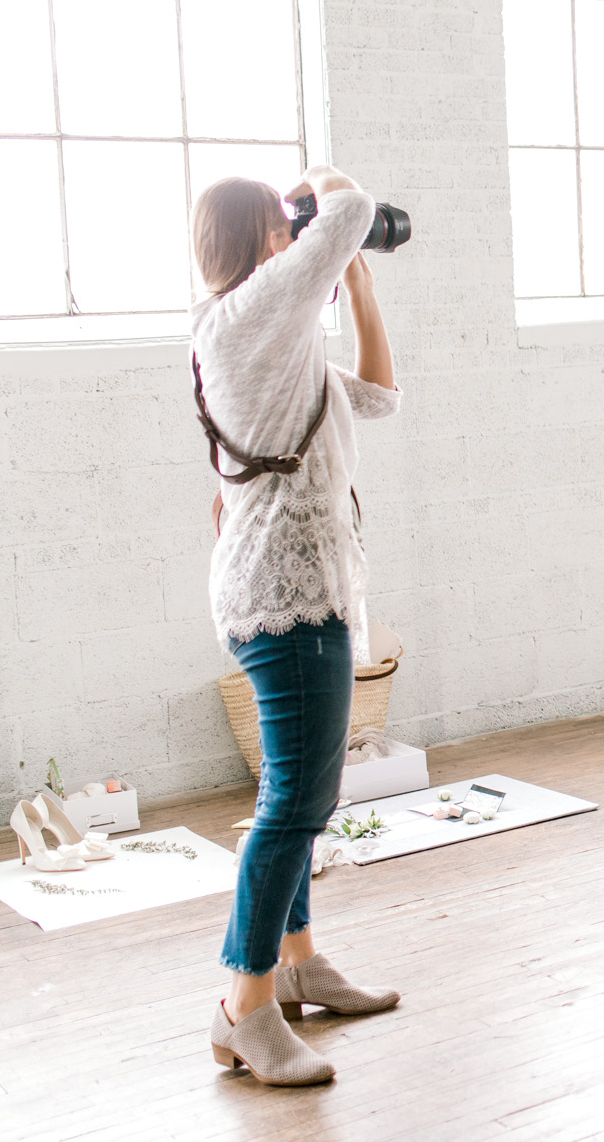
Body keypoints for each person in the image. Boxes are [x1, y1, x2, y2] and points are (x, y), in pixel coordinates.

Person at [194, 167, 402, 1087]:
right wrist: (326, 195)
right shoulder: (240, 323)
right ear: (263, 241)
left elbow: (383, 397)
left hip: (310, 588)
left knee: (301, 798)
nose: (297, 236)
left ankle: (302, 960)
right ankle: (245, 1003)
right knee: (295, 806)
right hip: (282, 598)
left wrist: (356, 284)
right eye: (285, 228)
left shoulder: (277, 345)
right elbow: (350, 210)